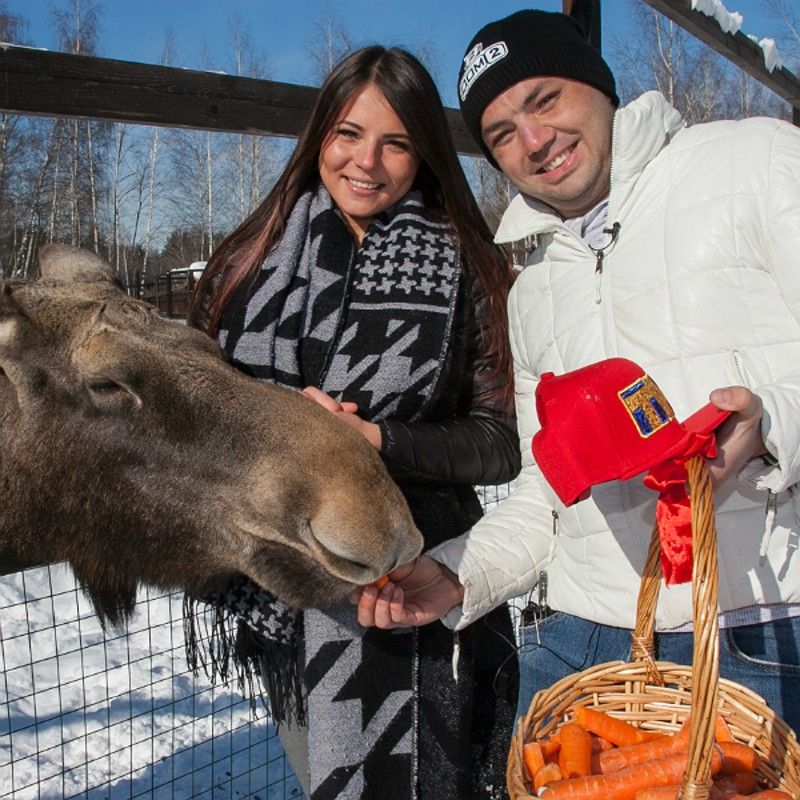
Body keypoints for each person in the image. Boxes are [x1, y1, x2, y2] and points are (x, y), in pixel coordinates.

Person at [354, 10, 800, 736]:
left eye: (545, 100)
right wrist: (459, 573)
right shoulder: (530, 290)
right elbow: (548, 489)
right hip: (579, 645)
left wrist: (773, 424)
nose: (534, 142)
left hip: (762, 633)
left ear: (599, 86)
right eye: (501, 134)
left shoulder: (755, 165)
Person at [186, 46, 521, 800]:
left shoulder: (467, 261)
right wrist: (284, 427)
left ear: (424, 153)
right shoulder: (249, 260)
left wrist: (373, 442)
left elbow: (501, 443)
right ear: (318, 138)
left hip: (431, 581)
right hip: (290, 591)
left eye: (396, 142)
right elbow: (194, 413)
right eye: (347, 133)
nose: (366, 161)